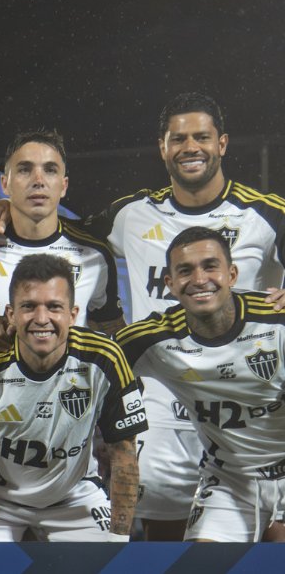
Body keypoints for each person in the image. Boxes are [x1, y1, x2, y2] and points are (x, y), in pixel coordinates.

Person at [0, 92, 285, 539]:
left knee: (270, 538)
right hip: (162, 398)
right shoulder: (132, 215)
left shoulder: (266, 214)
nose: (189, 147)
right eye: (178, 138)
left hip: (248, 402)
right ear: (163, 147)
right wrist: (9, 207)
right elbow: (58, 229)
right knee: (170, 538)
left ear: (222, 144)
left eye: (201, 137)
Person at [0, 130, 125, 471]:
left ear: (63, 185)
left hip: (68, 449)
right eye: (24, 170)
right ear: (5, 183)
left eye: (49, 170)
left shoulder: (93, 256)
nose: (37, 180)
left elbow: (118, 341)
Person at [0, 254, 144, 542]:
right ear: (10, 314)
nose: (42, 318)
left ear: (73, 314)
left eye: (54, 307)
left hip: (75, 496)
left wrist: (120, 539)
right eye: (29, 306)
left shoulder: (105, 358)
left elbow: (124, 454)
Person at [118, 227, 285, 542]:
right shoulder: (153, 338)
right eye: (185, 271)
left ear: (232, 274)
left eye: (210, 266)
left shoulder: (276, 319)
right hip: (229, 480)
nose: (199, 279)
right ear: (169, 284)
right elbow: (82, 362)